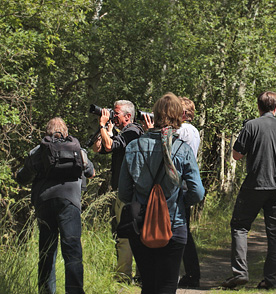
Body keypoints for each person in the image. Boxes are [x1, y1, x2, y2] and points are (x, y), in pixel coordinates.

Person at [118, 92, 205, 294]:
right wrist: (181, 202)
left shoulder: (133, 147)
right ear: (178, 117)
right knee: (167, 285)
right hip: (174, 224)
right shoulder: (182, 149)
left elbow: (123, 193)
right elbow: (198, 192)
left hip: (140, 226)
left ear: (155, 116)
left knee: (148, 284)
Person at [16, 117, 95, 294]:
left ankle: (46, 291)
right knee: (72, 250)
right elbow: (91, 172)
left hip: (44, 203)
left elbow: (23, 178)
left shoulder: (38, 151)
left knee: (46, 251)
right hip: (70, 203)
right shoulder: (77, 149)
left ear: (46, 133)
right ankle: (74, 291)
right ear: (66, 132)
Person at [221, 91, 276, 290]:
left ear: (258, 107)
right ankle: (272, 279)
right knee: (275, 232)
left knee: (240, 226)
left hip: (256, 184)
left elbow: (236, 155)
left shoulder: (251, 125)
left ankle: (240, 273)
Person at [92, 100, 144, 283]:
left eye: (116, 114)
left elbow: (109, 146)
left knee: (128, 234)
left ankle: (126, 276)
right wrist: (104, 129)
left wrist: (103, 126)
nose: (113, 117)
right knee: (125, 234)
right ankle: (129, 275)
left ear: (128, 116)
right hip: (122, 191)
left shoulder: (133, 132)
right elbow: (97, 148)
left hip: (129, 192)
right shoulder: (122, 133)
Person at [176, 96, 202, 288]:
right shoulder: (194, 131)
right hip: (187, 180)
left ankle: (192, 274)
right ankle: (191, 273)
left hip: (180, 181)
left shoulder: (182, 131)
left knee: (181, 228)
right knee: (183, 228)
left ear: (183, 113)